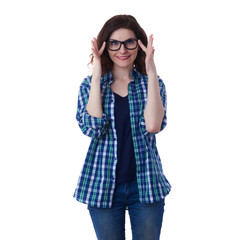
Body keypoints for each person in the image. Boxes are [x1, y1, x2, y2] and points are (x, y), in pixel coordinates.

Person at [73, 14, 171, 240]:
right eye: (115, 43)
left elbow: (154, 125)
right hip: (102, 184)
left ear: (140, 44)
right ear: (105, 46)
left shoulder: (152, 84)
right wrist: (97, 75)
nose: (122, 49)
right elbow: (93, 128)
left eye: (130, 42)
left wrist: (152, 72)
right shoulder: (90, 86)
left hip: (146, 185)